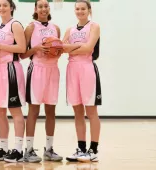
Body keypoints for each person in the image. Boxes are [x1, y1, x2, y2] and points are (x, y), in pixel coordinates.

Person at [20, 0, 63, 163]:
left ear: (49, 8)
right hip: (36, 70)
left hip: (53, 70)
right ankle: (29, 150)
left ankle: (49, 149)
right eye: (40, 6)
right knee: (34, 110)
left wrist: (56, 52)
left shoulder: (55, 28)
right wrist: (36, 48)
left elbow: (57, 50)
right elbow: (22, 54)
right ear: (35, 9)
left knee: (51, 110)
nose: (44, 9)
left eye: (46, 6)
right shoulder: (31, 27)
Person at [0, 0, 26, 163]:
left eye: (4, 5)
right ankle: (3, 148)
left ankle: (17, 149)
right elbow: (0, 46)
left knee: (15, 110)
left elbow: (22, 48)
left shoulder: (15, 24)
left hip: (10, 69)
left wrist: (0, 46)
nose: (1, 8)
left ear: (11, 7)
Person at [62, 0, 101, 162]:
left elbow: (89, 48)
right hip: (72, 69)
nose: (80, 11)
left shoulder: (94, 26)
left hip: (87, 69)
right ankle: (81, 148)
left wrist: (71, 47)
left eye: (83, 8)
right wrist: (77, 46)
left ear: (89, 10)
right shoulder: (69, 29)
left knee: (91, 111)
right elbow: (62, 47)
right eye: (77, 9)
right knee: (77, 111)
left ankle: (94, 149)